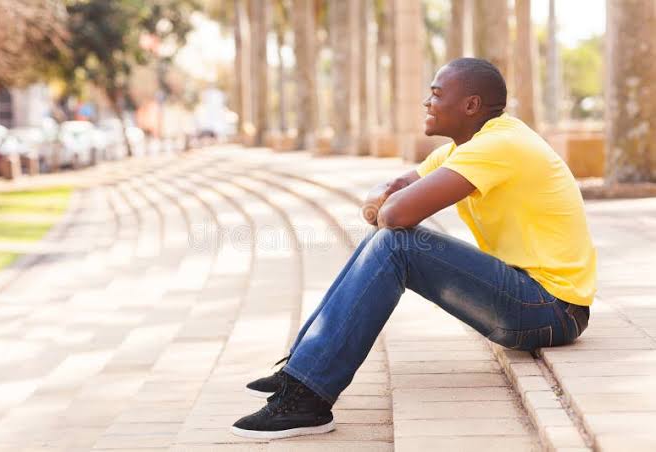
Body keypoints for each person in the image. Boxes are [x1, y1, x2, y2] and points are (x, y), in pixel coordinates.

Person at [230, 58, 596, 439]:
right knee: (387, 241)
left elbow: (395, 213)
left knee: (397, 245)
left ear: (471, 105)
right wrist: (385, 202)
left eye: (436, 94)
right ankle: (301, 368)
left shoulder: (499, 145)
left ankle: (306, 398)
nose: (427, 102)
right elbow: (391, 190)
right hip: (532, 300)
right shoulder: (464, 148)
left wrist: (386, 205)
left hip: (552, 309)